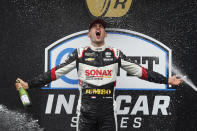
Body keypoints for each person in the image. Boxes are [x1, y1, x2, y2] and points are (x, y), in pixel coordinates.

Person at [15, 19, 183, 131]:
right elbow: (54, 74)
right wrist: (28, 85)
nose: (98, 28)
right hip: (85, 115)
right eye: (94, 27)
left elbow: (142, 72)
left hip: (108, 115)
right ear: (89, 34)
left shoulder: (116, 54)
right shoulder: (79, 54)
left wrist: (167, 80)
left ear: (105, 34)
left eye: (101, 27)